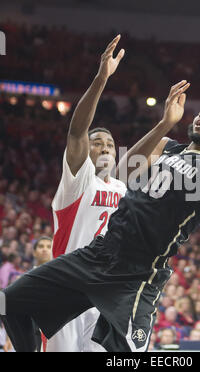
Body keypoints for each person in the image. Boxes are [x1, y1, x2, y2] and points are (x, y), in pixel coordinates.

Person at [0, 68, 200, 351]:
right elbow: (124, 170)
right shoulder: (168, 147)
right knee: (10, 303)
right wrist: (164, 122)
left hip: (137, 275)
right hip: (99, 254)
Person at [46, 35, 127, 352]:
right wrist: (101, 78)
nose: (105, 147)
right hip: (64, 287)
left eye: (110, 144)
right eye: (98, 143)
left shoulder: (120, 187)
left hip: (101, 291)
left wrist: (164, 125)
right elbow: (77, 130)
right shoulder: (79, 179)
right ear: (86, 151)